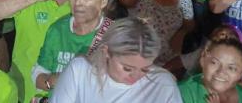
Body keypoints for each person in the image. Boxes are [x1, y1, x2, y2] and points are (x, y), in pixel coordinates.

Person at [50, 18, 182, 102]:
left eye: (145, 69)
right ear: (107, 51)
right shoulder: (80, 71)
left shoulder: (163, 84)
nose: (135, 76)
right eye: (127, 68)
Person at [31, 0, 112, 99]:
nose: (78, 3)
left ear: (104, 1)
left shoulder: (113, 35)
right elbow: (38, 73)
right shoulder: (58, 29)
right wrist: (51, 82)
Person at [120, 0, 195, 77]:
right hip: (135, 54)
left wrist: (181, 33)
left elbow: (190, 24)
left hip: (167, 63)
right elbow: (125, 0)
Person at [178, 39, 242, 102]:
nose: (221, 72)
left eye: (231, 68)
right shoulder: (183, 92)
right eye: (214, 63)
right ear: (203, 59)